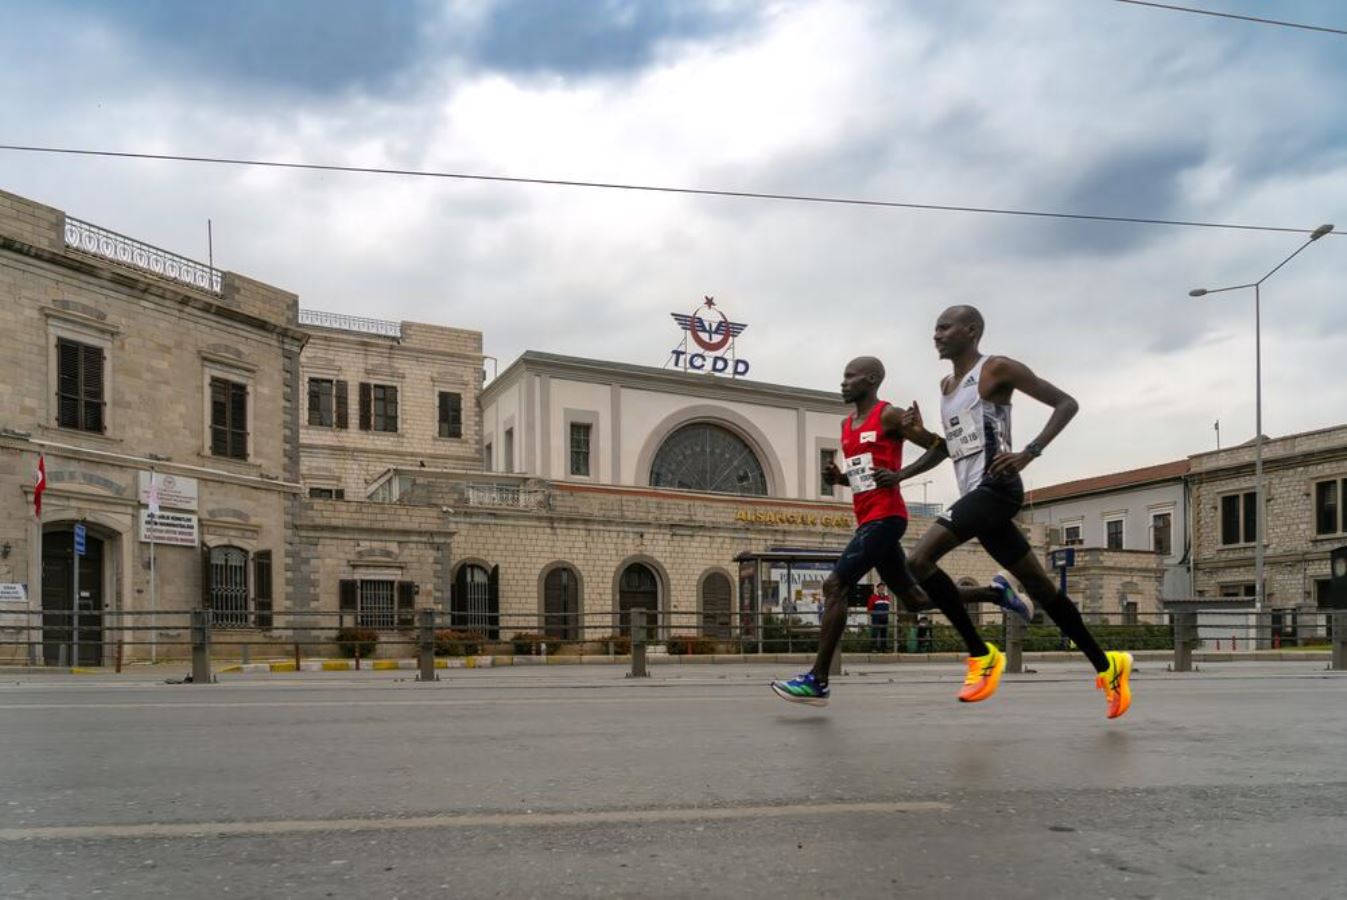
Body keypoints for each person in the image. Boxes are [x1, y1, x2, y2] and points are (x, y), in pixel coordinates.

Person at [898, 305, 1133, 718]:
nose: (936, 334)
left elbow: (1066, 403)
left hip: (998, 488)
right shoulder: (947, 385)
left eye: (944, 327)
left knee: (917, 560)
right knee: (1041, 588)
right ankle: (1108, 665)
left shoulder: (997, 369)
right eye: (934, 328)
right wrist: (920, 436)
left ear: (971, 331)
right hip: (976, 495)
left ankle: (981, 656)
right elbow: (954, 447)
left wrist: (1029, 453)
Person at [771, 356, 1031, 707]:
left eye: (851, 376)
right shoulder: (848, 425)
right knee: (915, 599)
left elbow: (941, 448)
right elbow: (869, 474)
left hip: (887, 517)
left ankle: (818, 681)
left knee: (836, 584)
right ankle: (996, 594)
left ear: (872, 379)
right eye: (843, 376)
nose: (844, 382)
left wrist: (901, 475)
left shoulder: (889, 414)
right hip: (868, 519)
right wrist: (842, 479)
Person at [866, 583, 892, 653]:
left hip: (885, 617)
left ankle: (884, 648)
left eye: (883, 587)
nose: (882, 589)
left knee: (884, 633)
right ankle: (873, 648)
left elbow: (888, 608)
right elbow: (869, 608)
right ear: (877, 588)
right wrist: (873, 615)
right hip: (876, 617)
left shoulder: (887, 597)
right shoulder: (873, 597)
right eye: (880, 587)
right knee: (875, 633)